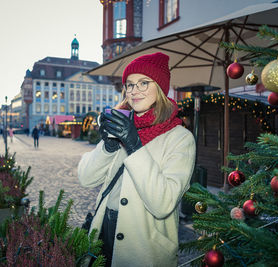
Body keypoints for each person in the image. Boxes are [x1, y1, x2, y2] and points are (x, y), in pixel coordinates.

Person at [78, 52, 196, 267]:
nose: (134, 91)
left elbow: (163, 204)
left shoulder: (180, 138)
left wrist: (134, 146)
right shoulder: (121, 121)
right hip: (103, 232)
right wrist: (108, 146)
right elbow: (86, 178)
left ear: (159, 87)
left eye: (143, 83)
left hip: (144, 247)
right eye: (130, 85)